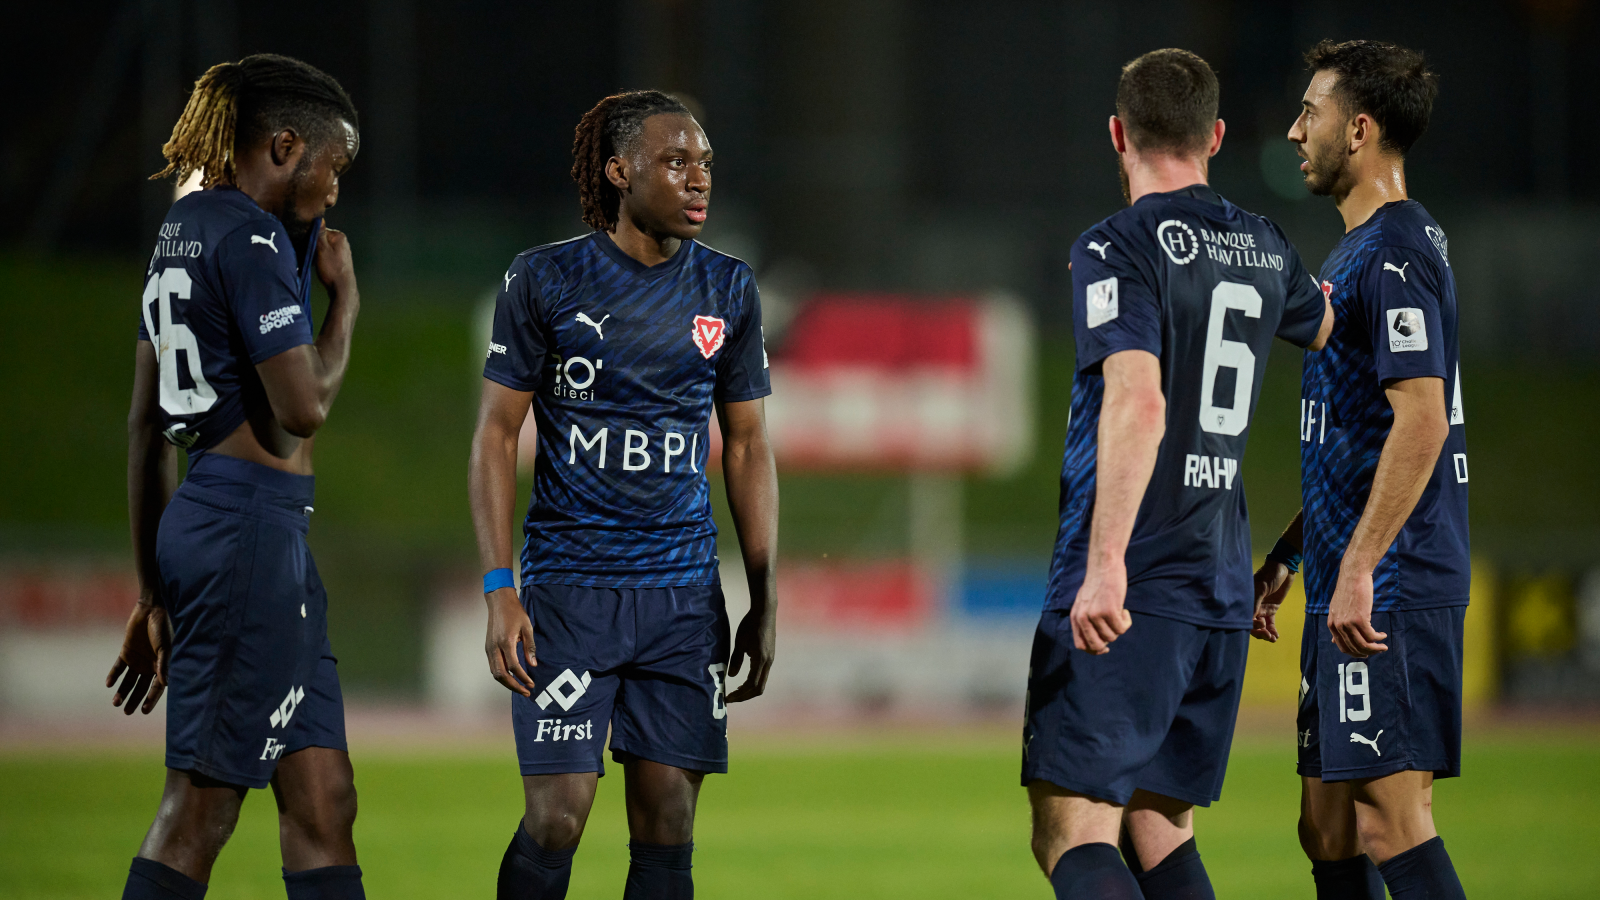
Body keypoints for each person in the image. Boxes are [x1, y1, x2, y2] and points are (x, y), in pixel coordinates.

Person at [1023, 48, 1334, 900]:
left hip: (1139, 579)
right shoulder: (1265, 245)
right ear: (1218, 137)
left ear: (1117, 133)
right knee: (1159, 828)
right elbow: (1328, 321)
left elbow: (1139, 401)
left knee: (1071, 830)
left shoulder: (1115, 246)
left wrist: (1105, 564)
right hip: (1222, 580)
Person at [468, 90, 779, 900]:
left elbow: (746, 443)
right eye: (676, 162)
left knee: (668, 822)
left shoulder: (729, 289)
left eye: (705, 162)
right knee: (557, 817)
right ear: (618, 171)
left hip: (682, 599)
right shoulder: (544, 277)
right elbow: (497, 437)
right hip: (571, 594)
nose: (697, 178)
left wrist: (764, 591)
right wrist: (501, 590)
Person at [106, 54, 366, 900]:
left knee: (325, 800)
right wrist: (345, 304)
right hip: (244, 531)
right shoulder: (250, 236)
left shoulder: (182, 228)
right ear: (287, 145)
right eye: (335, 165)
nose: (335, 189)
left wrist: (152, 593)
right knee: (202, 812)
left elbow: (147, 429)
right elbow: (304, 408)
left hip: (238, 530)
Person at [1254, 39, 1469, 900]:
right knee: (1327, 823)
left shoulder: (1397, 250)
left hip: (1390, 588)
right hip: (1351, 577)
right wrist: (1294, 552)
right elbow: (1361, 434)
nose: (1297, 129)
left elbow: (1422, 421)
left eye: (1312, 111)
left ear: (1361, 128)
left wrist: (1361, 567)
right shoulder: (1357, 255)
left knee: (1387, 820)